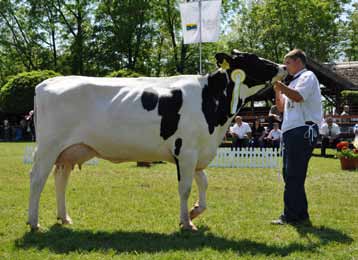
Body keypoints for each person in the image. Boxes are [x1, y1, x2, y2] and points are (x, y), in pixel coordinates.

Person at [271, 49, 322, 225]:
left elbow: (299, 97)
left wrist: (281, 86)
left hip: (303, 129)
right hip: (291, 130)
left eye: (288, 62)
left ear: (299, 61)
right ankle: (300, 214)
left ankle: (291, 215)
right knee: (291, 174)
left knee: (293, 174)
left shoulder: (307, 76)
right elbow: (281, 108)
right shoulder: (293, 82)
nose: (285, 66)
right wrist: (278, 90)